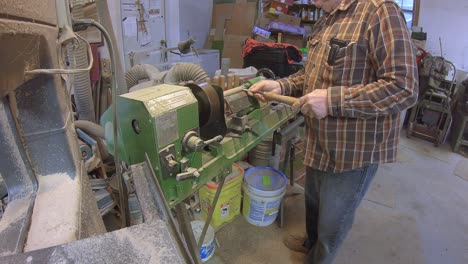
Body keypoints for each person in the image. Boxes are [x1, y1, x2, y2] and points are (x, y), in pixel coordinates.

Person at [249, 0, 418, 263]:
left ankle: (319, 257)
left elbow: (404, 88)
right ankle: (310, 244)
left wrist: (332, 101)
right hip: (319, 141)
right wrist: (280, 86)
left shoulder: (379, 11)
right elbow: (310, 75)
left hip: (353, 152)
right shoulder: (326, 19)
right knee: (314, 206)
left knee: (332, 224)